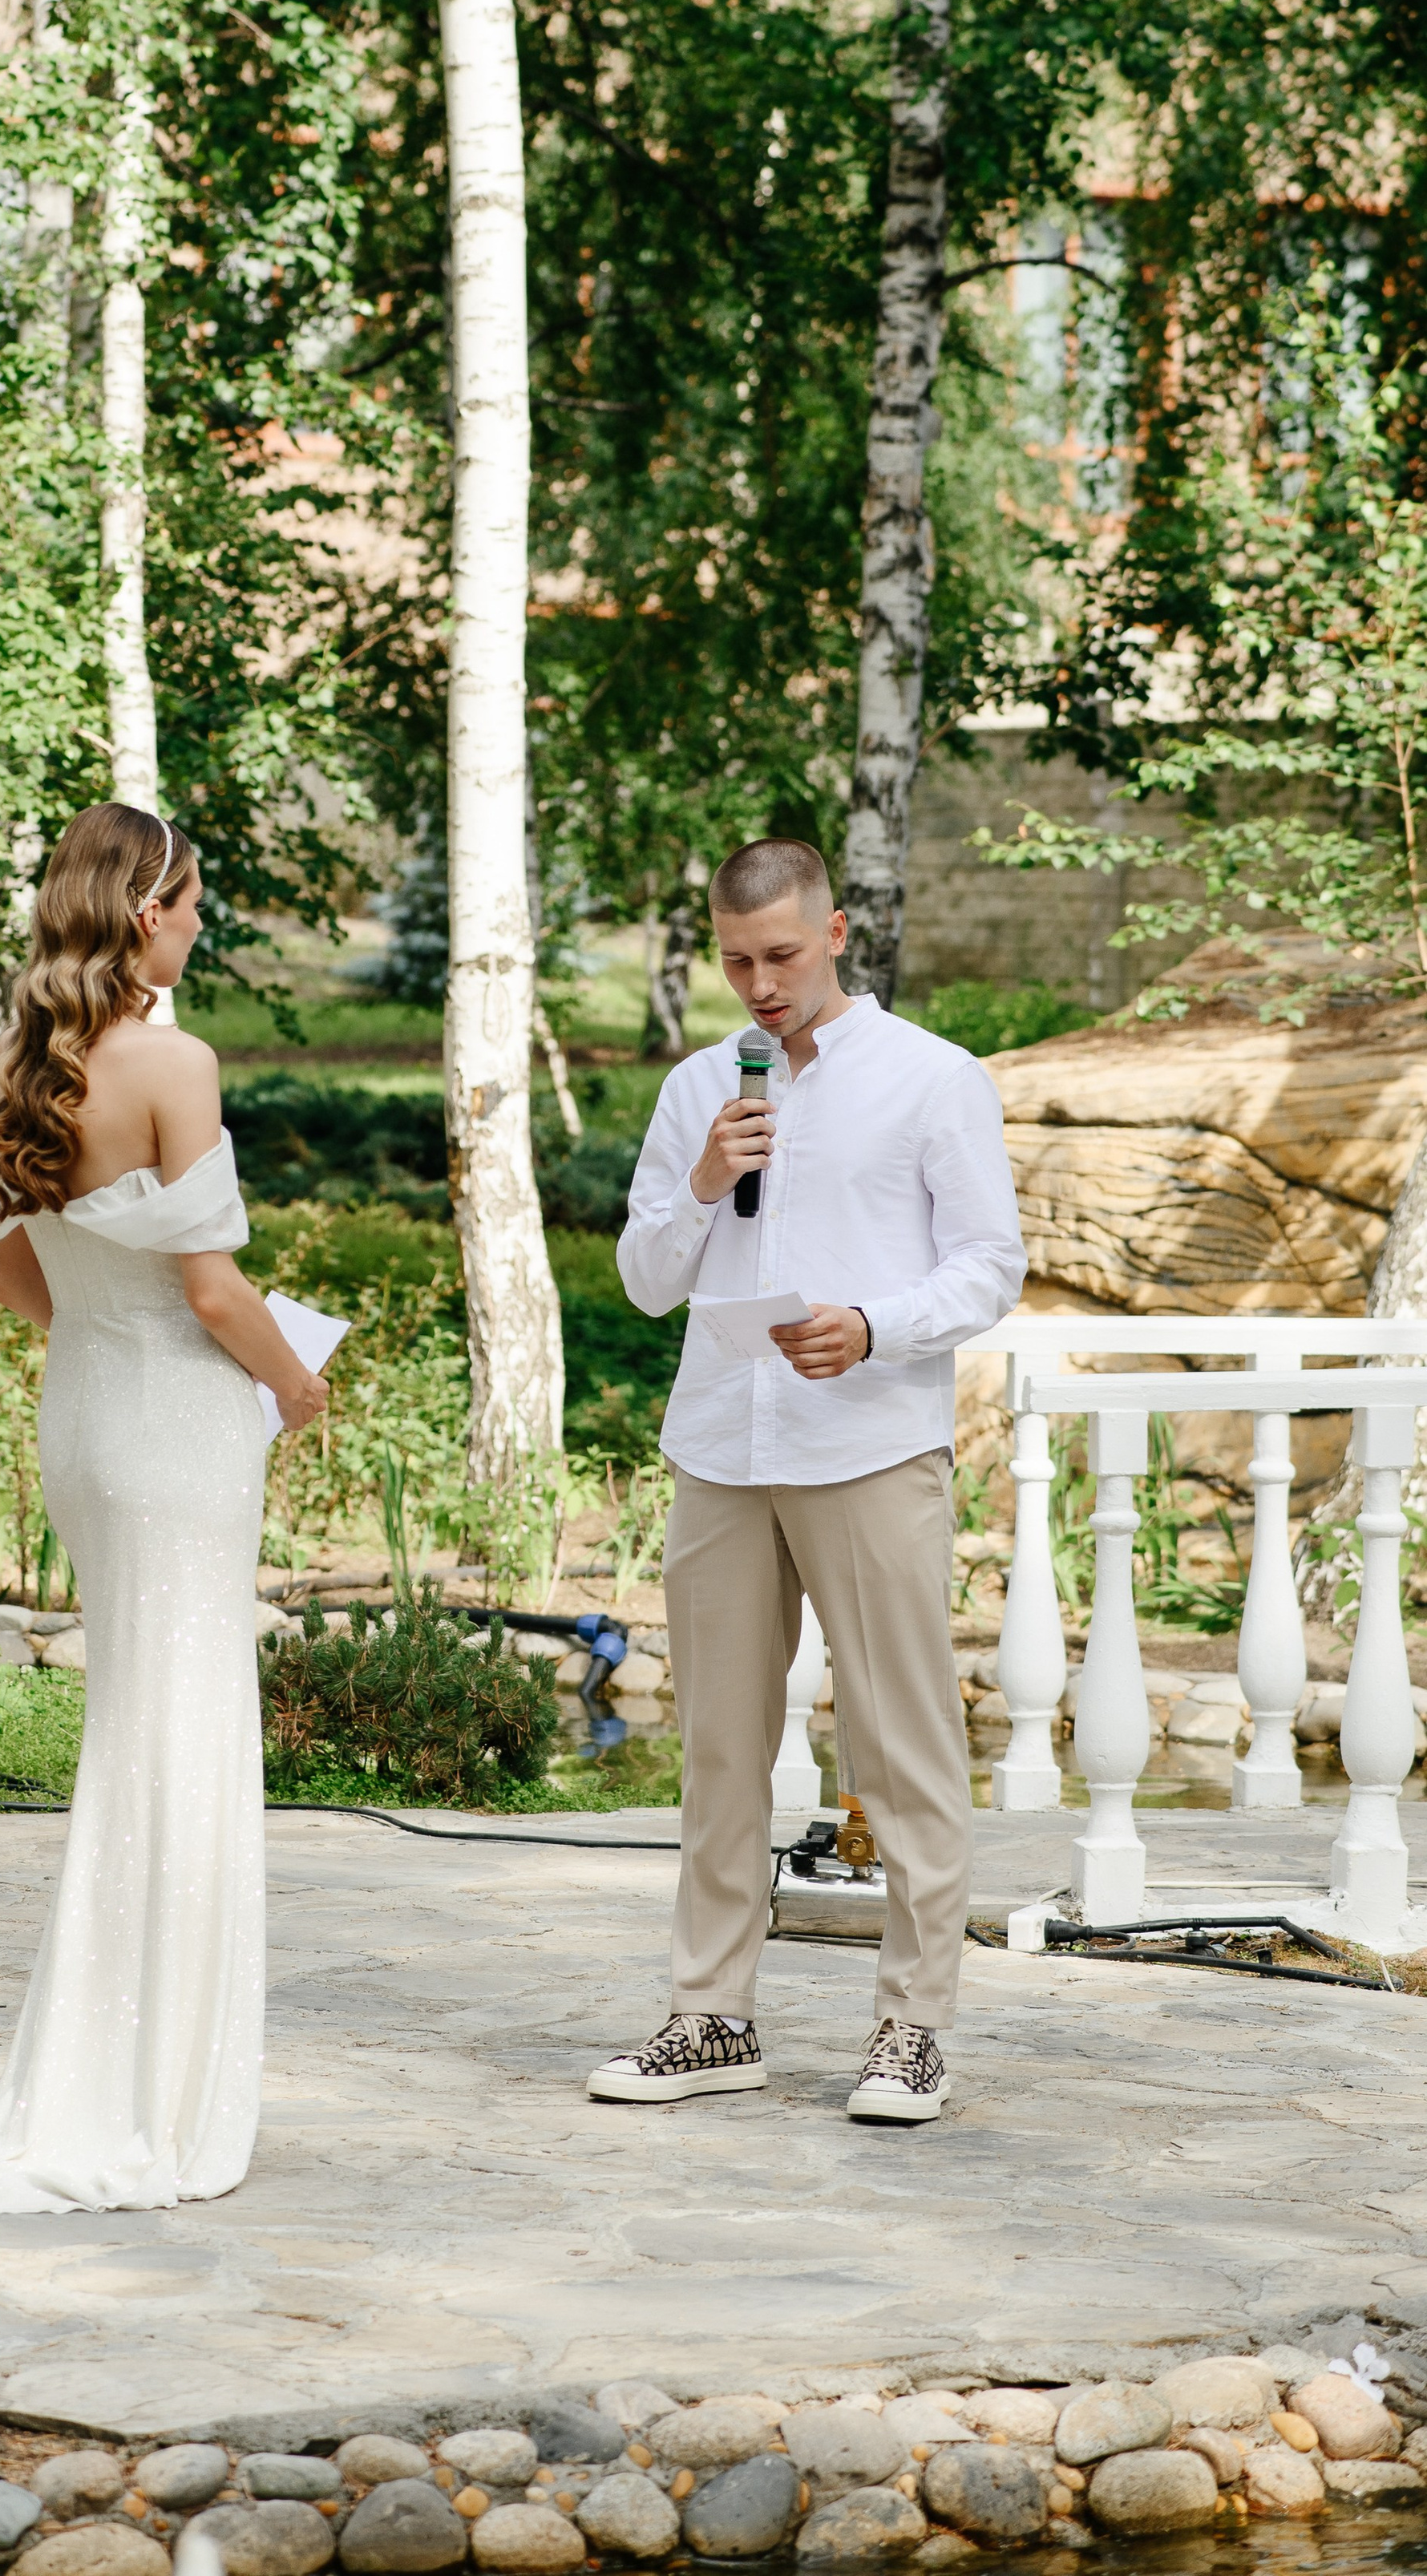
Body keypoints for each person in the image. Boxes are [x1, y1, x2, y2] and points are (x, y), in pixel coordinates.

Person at [0, 803, 329, 2214]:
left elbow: (18, 1279)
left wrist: (110, 1323)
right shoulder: (174, 1061)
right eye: (193, 901)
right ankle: (148, 2094)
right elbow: (211, 1287)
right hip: (181, 1429)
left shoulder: (22, 1067)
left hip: (86, 1415)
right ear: (148, 912)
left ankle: (114, 2057)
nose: (202, 922)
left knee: (142, 1725)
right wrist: (294, 1386)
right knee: (183, 1734)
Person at [592, 839, 1025, 2125]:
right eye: (736, 961)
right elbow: (645, 1278)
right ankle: (711, 2014)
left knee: (900, 1748)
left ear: (836, 933)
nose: (760, 985)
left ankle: (911, 2030)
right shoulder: (695, 1091)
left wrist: (873, 1324)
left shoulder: (934, 1080)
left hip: (867, 1442)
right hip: (723, 1444)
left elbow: (990, 1265)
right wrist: (706, 1180)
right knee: (721, 1749)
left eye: (781, 955)